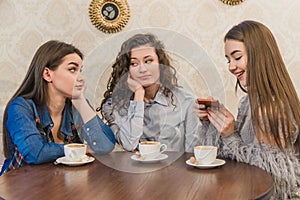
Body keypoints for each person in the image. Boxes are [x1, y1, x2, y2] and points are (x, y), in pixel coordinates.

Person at [196, 20, 300, 199]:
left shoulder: (271, 109)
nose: (231, 67)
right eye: (228, 60)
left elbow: (271, 179)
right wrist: (213, 122)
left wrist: (230, 134)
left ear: (259, 55)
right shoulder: (248, 102)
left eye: (237, 57)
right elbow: (238, 157)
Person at [1, 40, 116, 175]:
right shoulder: (20, 107)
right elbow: (35, 153)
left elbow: (106, 145)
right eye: (72, 69)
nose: (81, 78)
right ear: (47, 74)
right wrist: (83, 149)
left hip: (59, 184)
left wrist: (80, 101)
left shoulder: (76, 106)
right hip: (19, 189)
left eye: (81, 70)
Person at [98, 33, 201, 153]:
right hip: (133, 171)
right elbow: (129, 145)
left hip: (175, 170)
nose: (142, 69)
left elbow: (192, 153)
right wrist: (138, 94)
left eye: (148, 61)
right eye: (134, 64)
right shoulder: (113, 105)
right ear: (127, 70)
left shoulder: (186, 101)